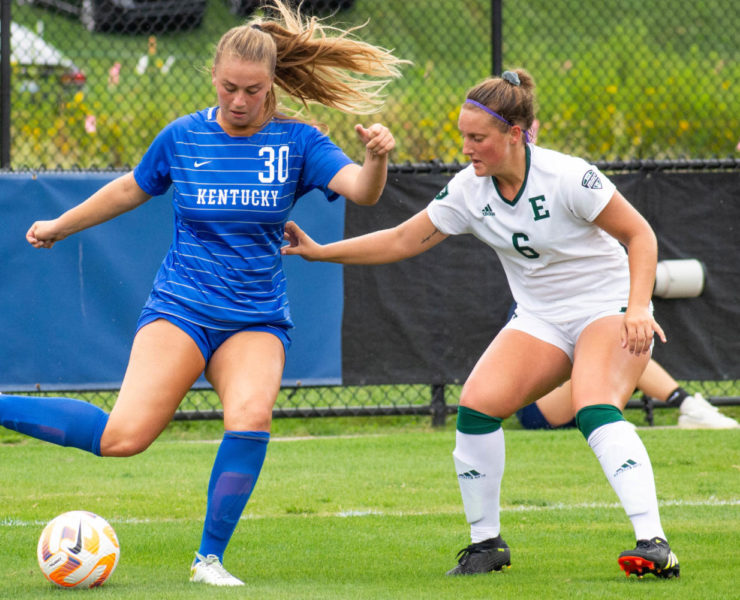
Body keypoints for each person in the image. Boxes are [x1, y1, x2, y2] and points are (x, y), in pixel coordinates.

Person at [0, 1, 407, 587]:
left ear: (272, 83)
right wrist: (58, 225)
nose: (240, 101)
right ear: (214, 78)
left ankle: (209, 560)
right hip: (182, 307)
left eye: (252, 90)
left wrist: (375, 159)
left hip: (255, 317)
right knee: (121, 439)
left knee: (251, 416)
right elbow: (128, 189)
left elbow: (362, 192)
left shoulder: (298, 143)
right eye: (229, 88)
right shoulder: (184, 136)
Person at [282, 68, 680, 579]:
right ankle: (485, 545)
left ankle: (654, 544)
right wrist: (320, 253)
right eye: (462, 136)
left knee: (594, 408)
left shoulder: (567, 176)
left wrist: (638, 307)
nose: (466, 148)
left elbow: (640, 235)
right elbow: (404, 239)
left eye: (477, 138)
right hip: (541, 319)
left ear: (515, 134)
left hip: (605, 307)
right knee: (476, 407)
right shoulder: (470, 190)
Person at [518, 358, 740, 429]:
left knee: (629, 351)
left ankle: (691, 409)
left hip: (585, 403)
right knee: (621, 353)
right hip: (540, 407)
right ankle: (690, 407)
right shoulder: (537, 300)